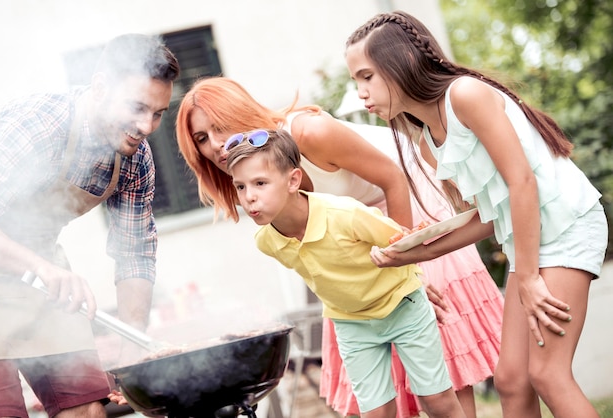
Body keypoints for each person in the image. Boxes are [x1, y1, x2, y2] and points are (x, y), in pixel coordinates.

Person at [175, 76, 503, 418]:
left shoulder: (308, 133)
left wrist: (409, 265)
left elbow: (393, 178)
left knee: (441, 378)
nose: (215, 144)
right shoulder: (257, 187)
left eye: (220, 126)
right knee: (377, 396)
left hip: (406, 209)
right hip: (351, 237)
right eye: (201, 138)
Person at [345, 10, 608, 418]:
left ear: (403, 62)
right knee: (510, 381)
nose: (361, 92)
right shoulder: (428, 141)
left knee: (548, 374)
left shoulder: (465, 95)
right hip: (530, 241)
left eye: (367, 76)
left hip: (568, 225)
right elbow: (487, 218)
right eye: (355, 80)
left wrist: (530, 278)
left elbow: (523, 182)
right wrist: (414, 253)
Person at [0, 33, 179, 417]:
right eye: (138, 107)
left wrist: (132, 344)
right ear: (101, 87)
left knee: (89, 409)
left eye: (158, 113)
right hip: (23, 271)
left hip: (44, 284)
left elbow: (135, 251)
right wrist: (41, 267)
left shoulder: (135, 159)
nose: (146, 125)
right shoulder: (38, 126)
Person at [225, 128, 466, 418]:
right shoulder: (267, 242)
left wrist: (417, 281)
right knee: (376, 414)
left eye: (260, 183)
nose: (248, 197)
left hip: (403, 306)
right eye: (240, 187)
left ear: (293, 180)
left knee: (436, 399)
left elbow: (401, 242)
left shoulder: (344, 214)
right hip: (352, 324)